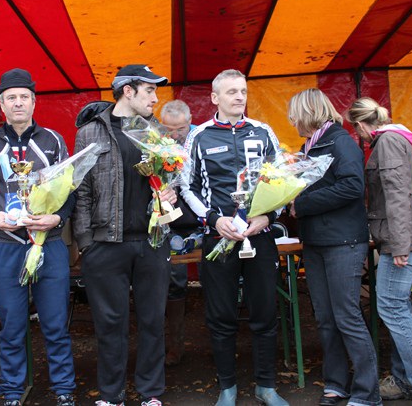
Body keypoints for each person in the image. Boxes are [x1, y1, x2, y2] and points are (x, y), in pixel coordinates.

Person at [180, 69, 289, 406]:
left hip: (260, 236)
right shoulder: (199, 136)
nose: (239, 97)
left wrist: (268, 216)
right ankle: (227, 387)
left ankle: (266, 386)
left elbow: (284, 182)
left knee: (265, 312)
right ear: (215, 98)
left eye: (243, 91)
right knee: (221, 315)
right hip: (219, 239)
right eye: (231, 92)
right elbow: (187, 186)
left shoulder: (263, 131)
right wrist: (214, 219)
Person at [0, 68, 76, 406]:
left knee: (55, 323)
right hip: (6, 244)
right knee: (12, 325)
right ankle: (13, 392)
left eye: (24, 97)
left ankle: (64, 390)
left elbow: (70, 190)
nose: (18, 103)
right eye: (11, 98)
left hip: (48, 241)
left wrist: (57, 217)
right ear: (2, 104)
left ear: (34, 102)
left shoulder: (53, 140)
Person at [73, 64, 174, 406]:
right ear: (127, 92)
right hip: (105, 243)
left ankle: (150, 393)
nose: (155, 98)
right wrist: (86, 243)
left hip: (151, 241)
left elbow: (170, 178)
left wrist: (170, 192)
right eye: (150, 90)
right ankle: (111, 395)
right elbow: (81, 190)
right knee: (109, 324)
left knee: (152, 321)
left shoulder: (156, 130)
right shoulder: (90, 132)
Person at [347, 97, 412, 406]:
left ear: (360, 125)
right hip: (402, 237)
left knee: (392, 308)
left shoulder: (388, 142)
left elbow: (396, 195)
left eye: (356, 129)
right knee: (399, 308)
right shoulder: (396, 138)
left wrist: (399, 244)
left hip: (401, 240)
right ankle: (407, 379)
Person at [287, 88, 380, 406]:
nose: (292, 122)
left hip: (343, 242)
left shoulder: (341, 142)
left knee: (347, 316)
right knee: (325, 318)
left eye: (294, 116)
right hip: (315, 241)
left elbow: (353, 186)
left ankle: (367, 392)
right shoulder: (309, 146)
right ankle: (337, 383)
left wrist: (303, 204)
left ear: (307, 113)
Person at [159, 99, 194, 367]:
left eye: (180, 129)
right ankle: (176, 346)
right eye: (169, 129)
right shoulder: (155, 144)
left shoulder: (200, 138)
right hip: (170, 224)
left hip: (202, 219)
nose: (174, 135)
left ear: (190, 122)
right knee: (174, 281)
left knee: (214, 277)